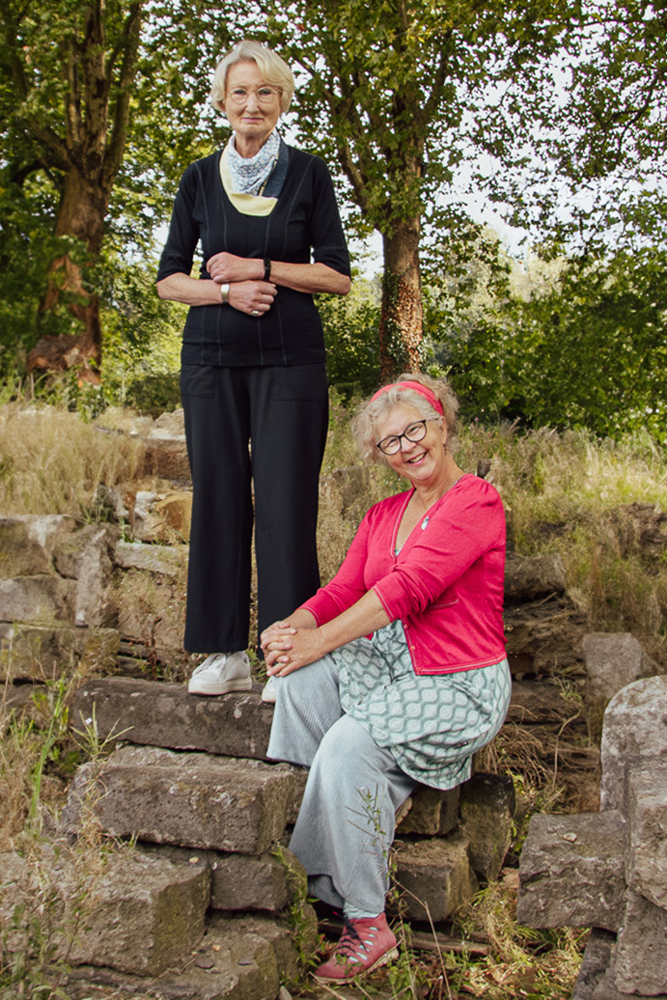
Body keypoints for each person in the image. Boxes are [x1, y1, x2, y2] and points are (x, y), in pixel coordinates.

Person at [260, 373, 511, 983]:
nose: (405, 446)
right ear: (379, 454)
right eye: (388, 441)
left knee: (348, 745)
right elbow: (345, 588)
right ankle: (300, 846)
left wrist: (322, 638)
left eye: (414, 429)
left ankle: (367, 924)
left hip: (460, 683)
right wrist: (294, 627)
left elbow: (409, 587)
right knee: (297, 678)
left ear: (442, 426)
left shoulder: (476, 500)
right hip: (397, 668)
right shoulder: (383, 515)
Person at [156, 40, 351, 697]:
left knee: (286, 503)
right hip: (209, 360)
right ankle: (222, 654)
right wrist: (224, 292)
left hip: (291, 363)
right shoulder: (197, 179)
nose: (251, 103)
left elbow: (336, 276)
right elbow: (168, 281)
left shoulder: (308, 175)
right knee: (217, 498)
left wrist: (259, 269)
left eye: (265, 92)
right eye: (240, 92)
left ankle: (285, 659)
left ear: (281, 102)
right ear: (221, 102)